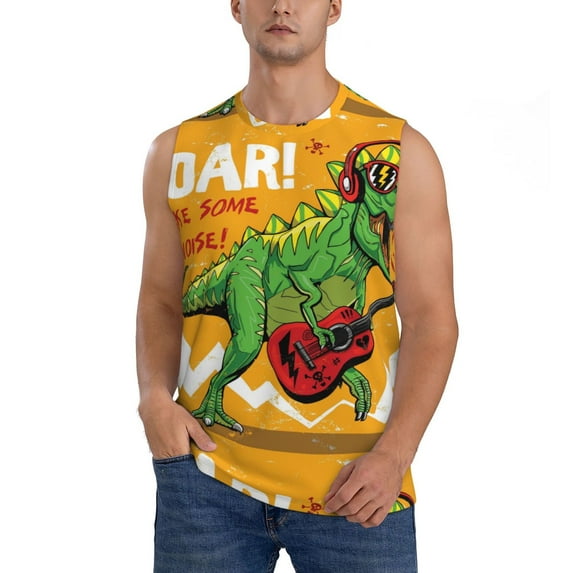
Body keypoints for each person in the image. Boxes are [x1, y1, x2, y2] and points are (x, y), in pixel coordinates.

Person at [136, 1, 458, 571]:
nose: (283, 5)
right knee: (251, 334)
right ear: (236, 5)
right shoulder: (178, 151)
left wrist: (394, 455)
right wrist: (155, 401)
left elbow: (432, 319)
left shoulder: (400, 150)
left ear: (333, 7)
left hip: (360, 488)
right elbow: (161, 298)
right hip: (206, 478)